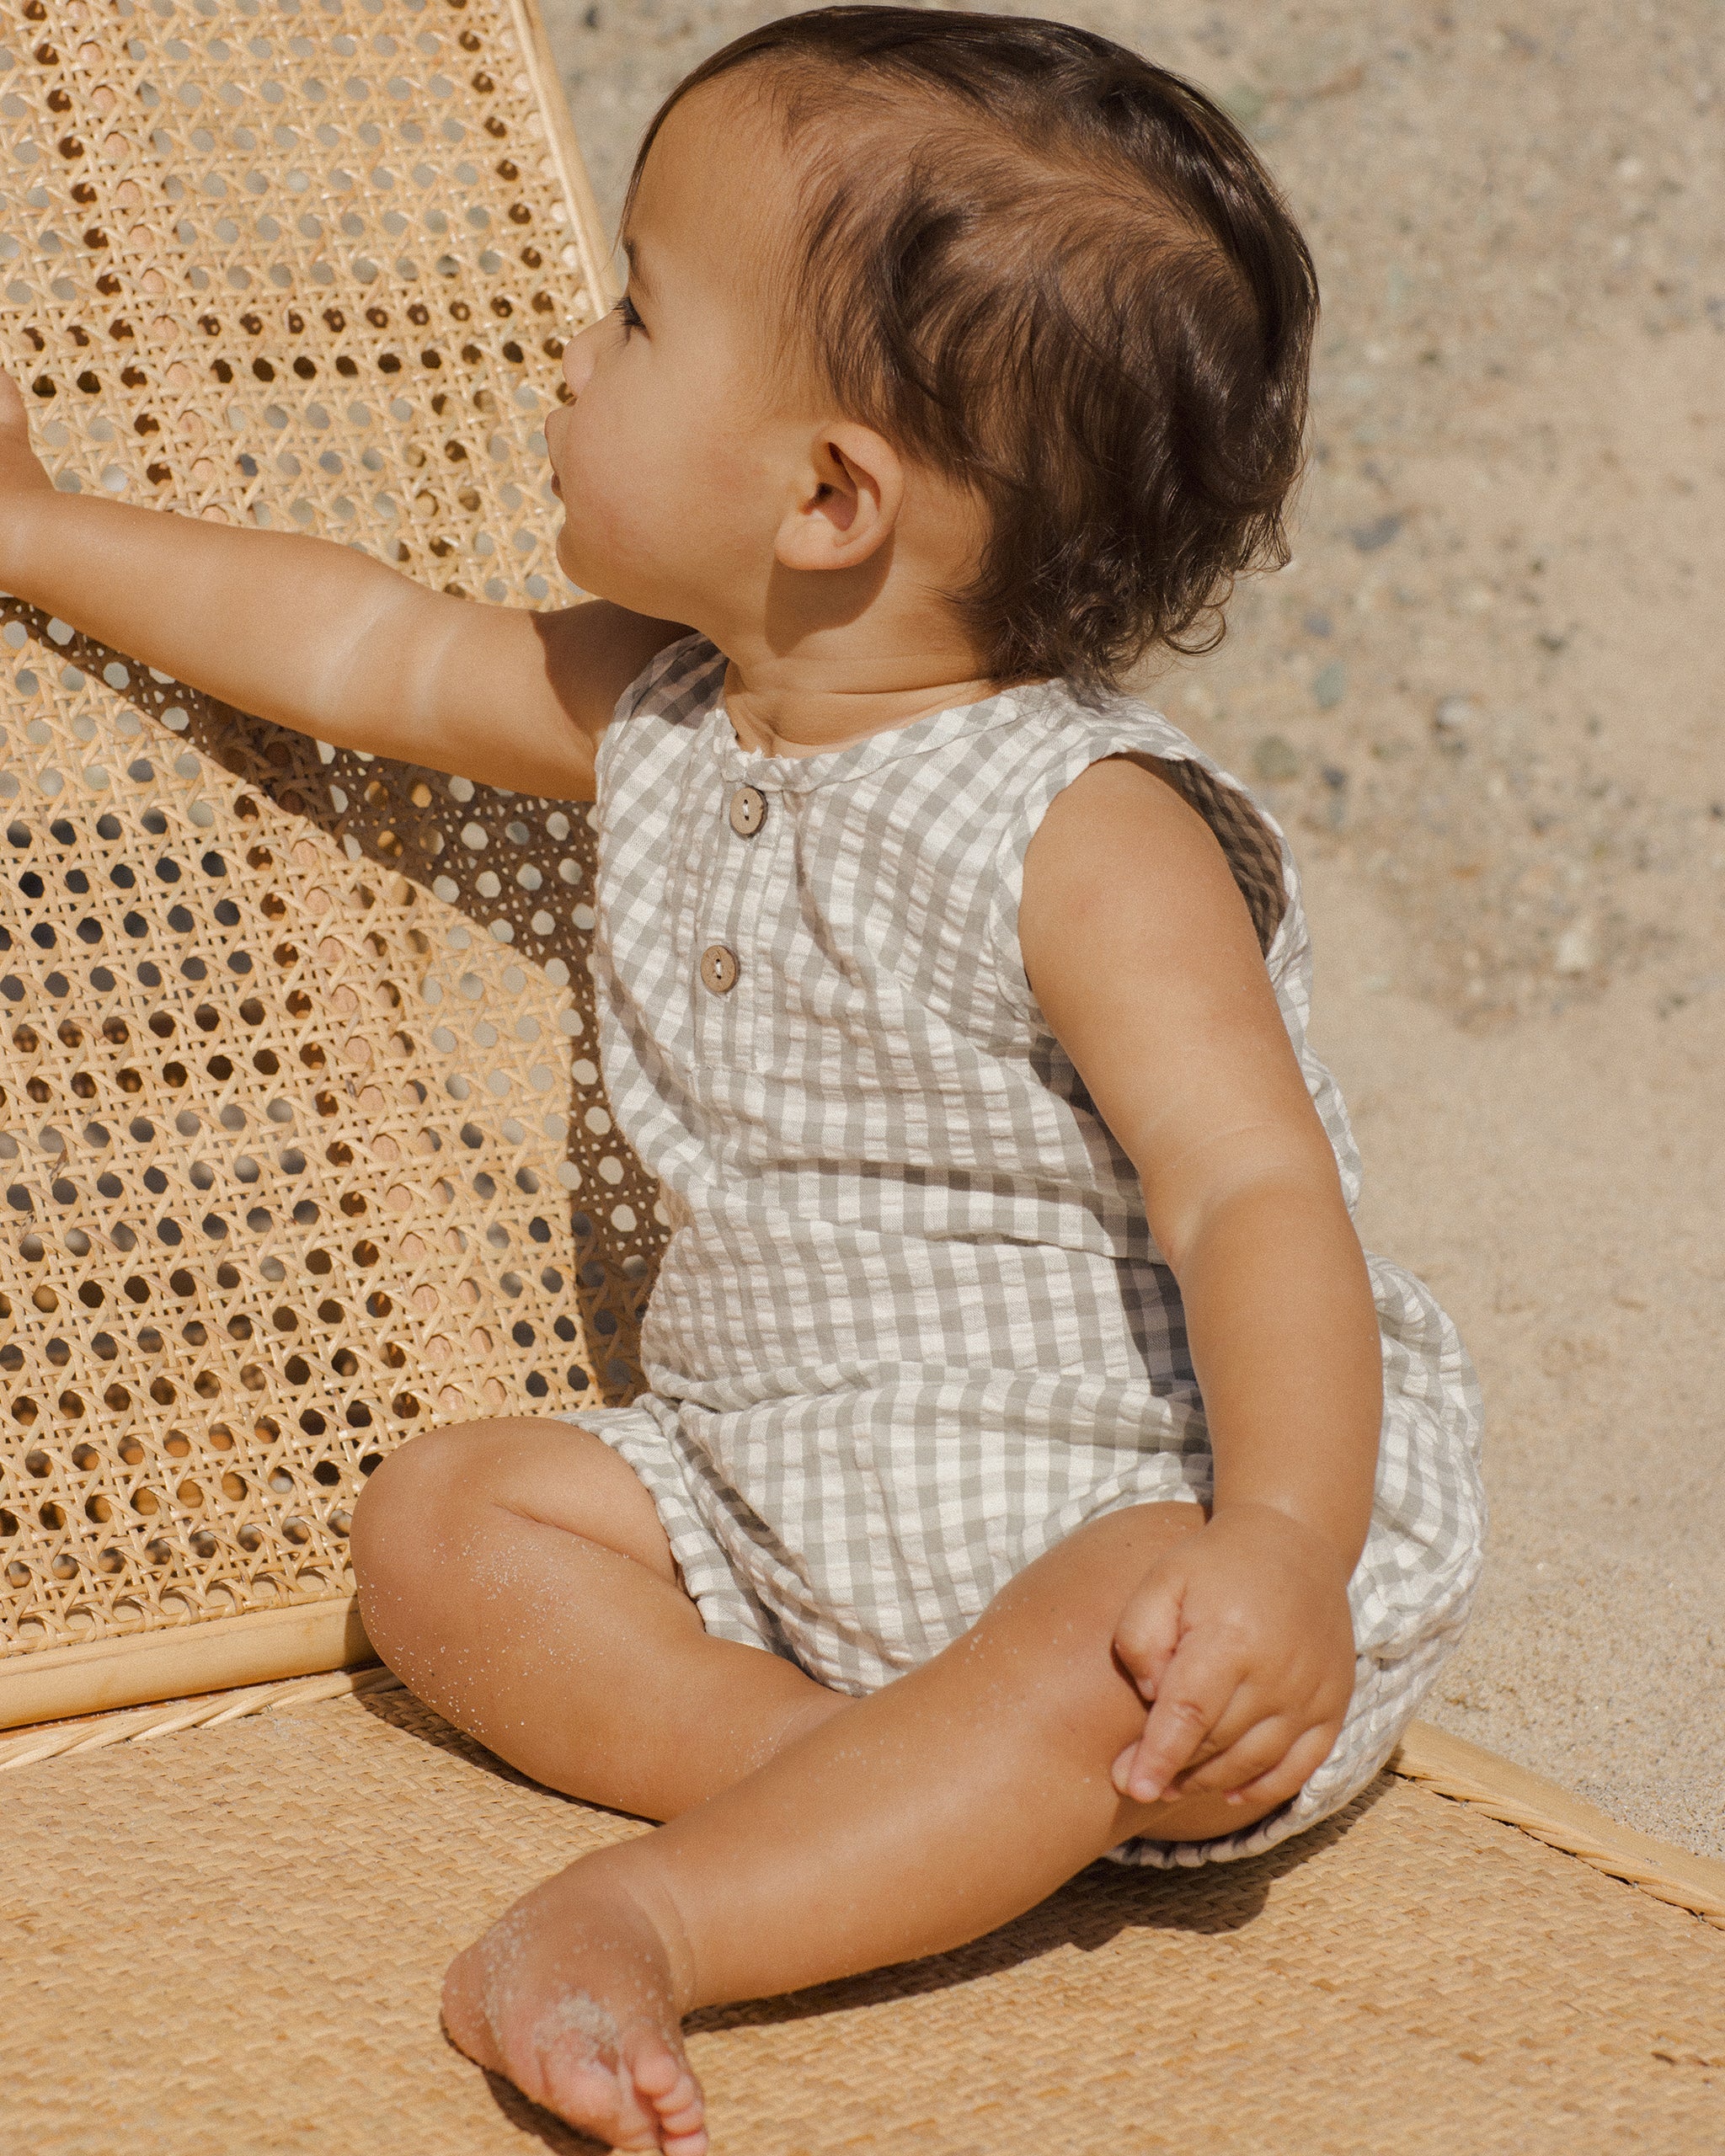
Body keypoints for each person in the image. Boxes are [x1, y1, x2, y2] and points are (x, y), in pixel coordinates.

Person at [0, 10, 1485, 2149]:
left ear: (824, 495)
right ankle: (875, 1794)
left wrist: (1276, 1543)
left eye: (630, 313)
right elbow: (365, 649)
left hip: (1117, 1533)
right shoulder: (676, 710)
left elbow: (1255, 1192)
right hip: (787, 1490)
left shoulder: (1077, 825)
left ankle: (661, 1915)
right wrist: (40, 530)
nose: (569, 355)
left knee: (1099, 1625)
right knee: (441, 1527)